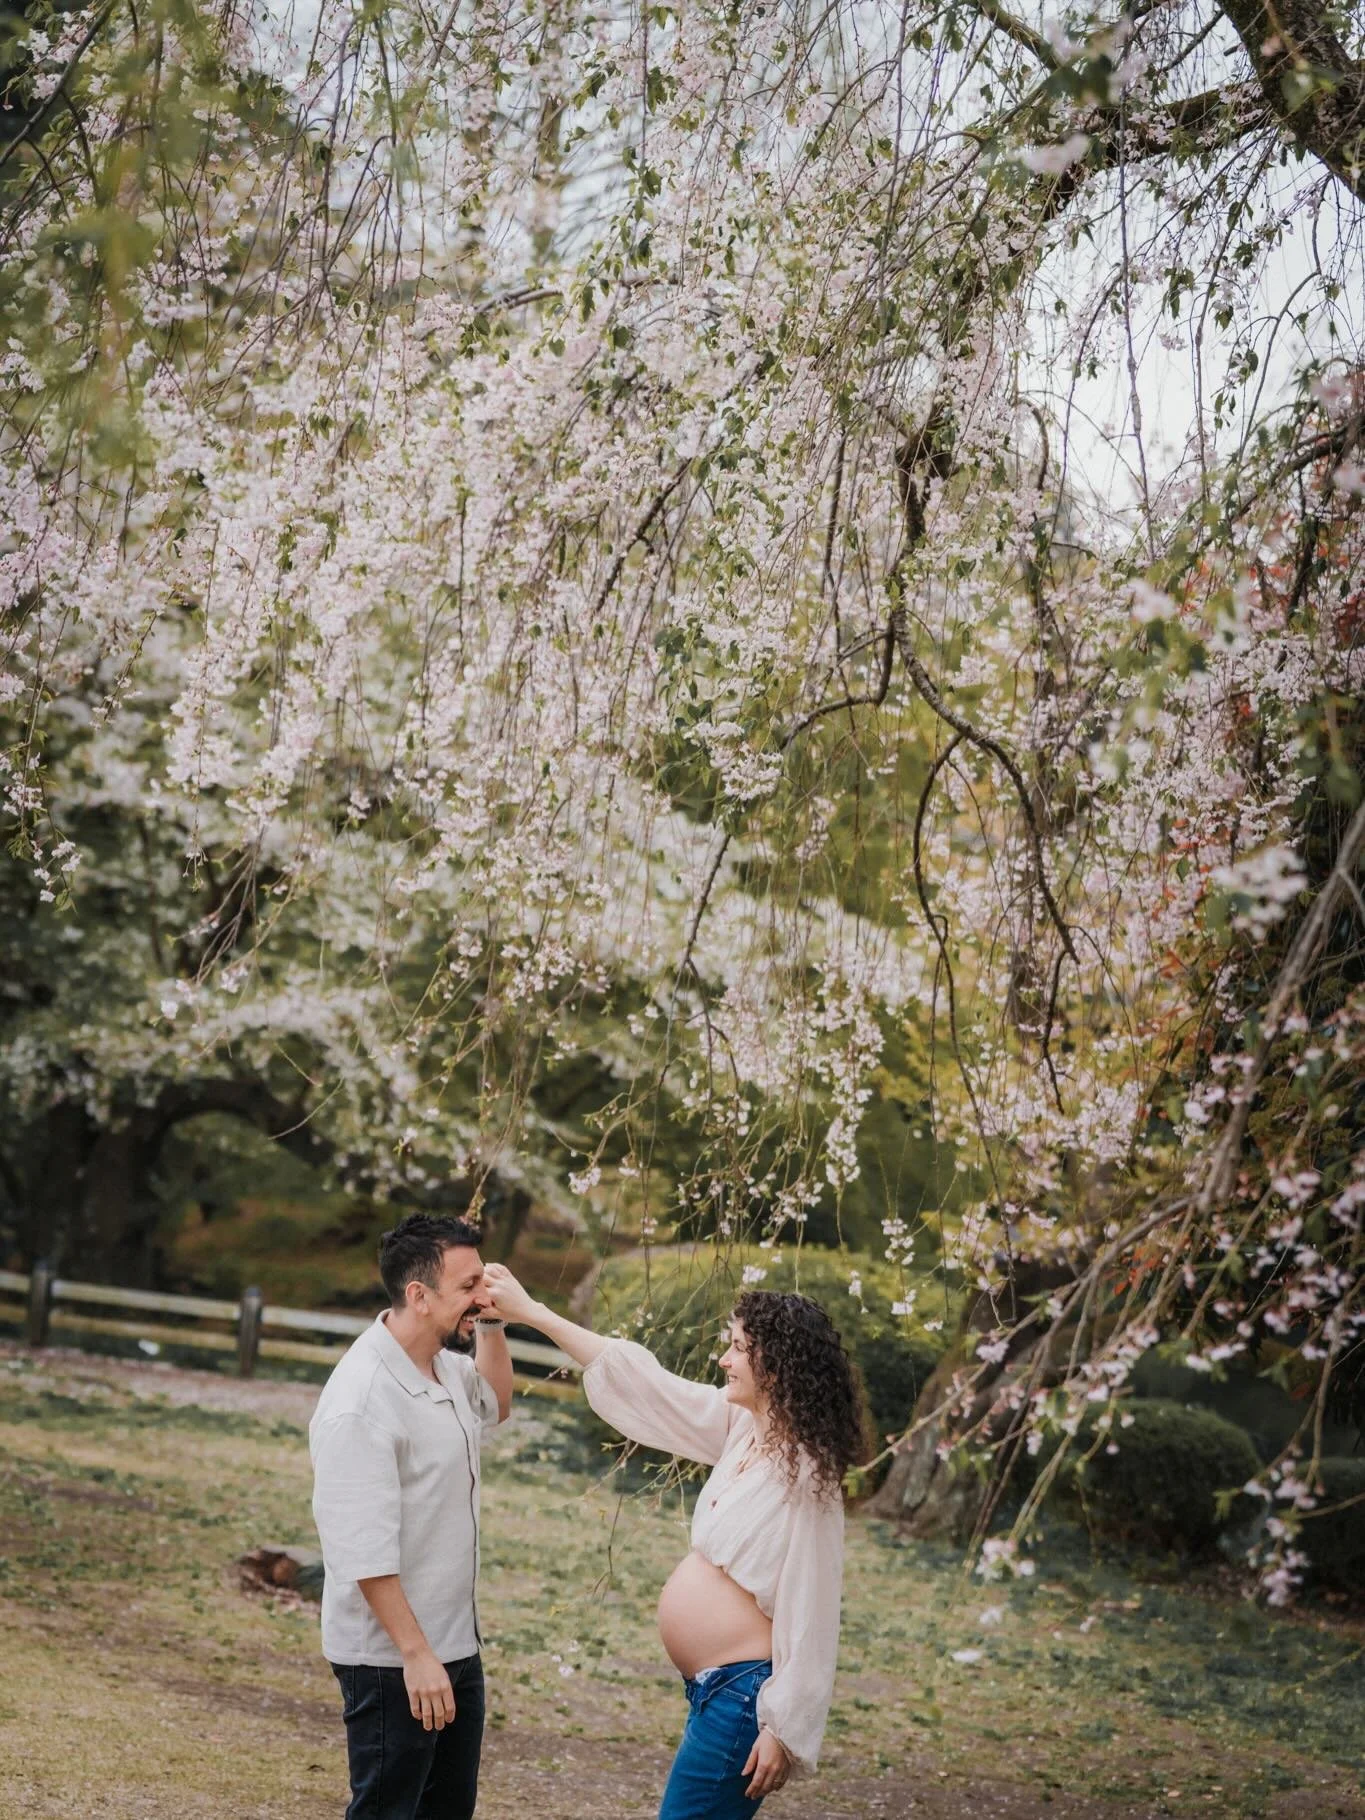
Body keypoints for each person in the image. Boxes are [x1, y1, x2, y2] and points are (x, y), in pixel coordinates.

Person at [481, 1262, 867, 1818]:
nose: (724, 1360)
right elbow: (644, 1382)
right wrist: (532, 1314)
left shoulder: (806, 1473)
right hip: (717, 1690)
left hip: (743, 1696)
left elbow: (814, 1605)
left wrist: (784, 1726)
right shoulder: (744, 1431)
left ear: (777, 1366)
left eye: (738, 1348)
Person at [310, 1213, 514, 1820]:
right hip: (391, 1658)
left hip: (454, 1643)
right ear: (419, 1296)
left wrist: (490, 1322)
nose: (482, 1294)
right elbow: (362, 1550)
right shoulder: (361, 1401)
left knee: (447, 1810)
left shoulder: (444, 1364)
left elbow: (495, 1404)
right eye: (469, 1286)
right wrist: (416, 1656)